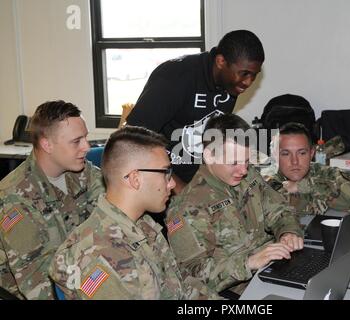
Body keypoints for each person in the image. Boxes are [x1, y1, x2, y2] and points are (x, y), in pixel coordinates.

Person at [49, 126, 213, 300]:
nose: (172, 183)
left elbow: (178, 290)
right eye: (165, 173)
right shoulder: (99, 254)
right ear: (135, 179)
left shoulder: (143, 223)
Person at [166, 114, 303, 298]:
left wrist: (287, 232)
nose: (244, 170)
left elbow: (278, 209)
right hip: (238, 290)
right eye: (234, 163)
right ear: (209, 155)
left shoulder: (249, 177)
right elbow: (193, 276)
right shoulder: (187, 208)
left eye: (247, 161)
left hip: (272, 270)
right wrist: (249, 262)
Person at [126, 29, 265, 193]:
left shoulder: (231, 84)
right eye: (244, 74)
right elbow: (131, 141)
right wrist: (179, 189)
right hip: (161, 181)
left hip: (196, 175)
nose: (248, 82)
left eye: (254, 75)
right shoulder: (173, 78)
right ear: (221, 61)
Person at [0, 100, 105, 299]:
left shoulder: (83, 172)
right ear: (47, 144)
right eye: (76, 141)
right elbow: (37, 284)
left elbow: (117, 215)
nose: (86, 147)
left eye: (86, 138)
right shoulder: (15, 198)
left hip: (80, 274)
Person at [263, 122, 350, 216]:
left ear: (311, 153)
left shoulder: (326, 172)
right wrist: (324, 192)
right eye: (286, 154)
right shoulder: (267, 179)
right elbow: (285, 207)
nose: (295, 161)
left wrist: (305, 186)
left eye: (302, 153)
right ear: (275, 155)